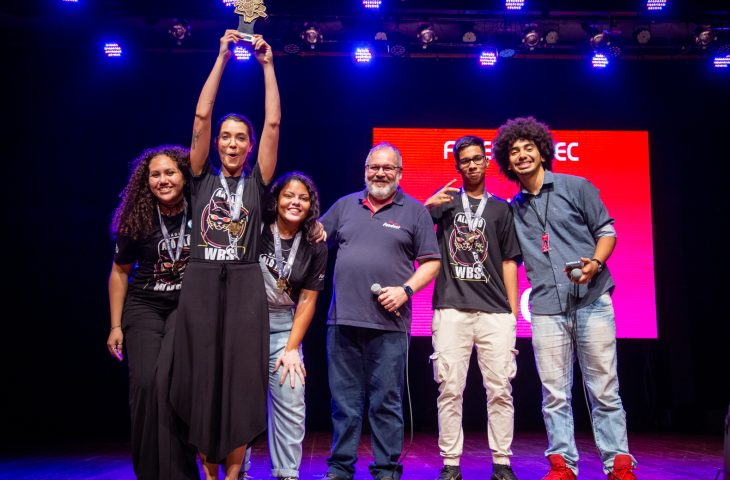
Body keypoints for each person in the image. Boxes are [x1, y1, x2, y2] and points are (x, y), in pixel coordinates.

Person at [492, 116, 637, 480]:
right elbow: (509, 258)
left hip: (592, 300)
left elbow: (607, 232)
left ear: (542, 151)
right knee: (554, 394)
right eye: (514, 151)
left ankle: (618, 464)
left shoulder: (577, 186)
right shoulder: (513, 210)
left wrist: (596, 263)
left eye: (529, 148)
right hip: (545, 309)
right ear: (508, 163)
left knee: (604, 388)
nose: (523, 155)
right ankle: (562, 465)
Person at [169, 29, 280, 480]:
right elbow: (200, 115)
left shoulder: (257, 183)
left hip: (244, 284)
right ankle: (209, 474)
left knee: (238, 383)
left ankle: (233, 475)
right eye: (225, 137)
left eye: (240, 138)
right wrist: (220, 56)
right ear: (216, 143)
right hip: (199, 282)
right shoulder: (198, 179)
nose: (232, 143)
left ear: (249, 147)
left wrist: (267, 67)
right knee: (201, 378)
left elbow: (273, 124)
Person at [320, 142, 441, 480]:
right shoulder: (344, 206)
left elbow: (431, 263)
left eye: (388, 168)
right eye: (374, 167)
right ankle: (340, 469)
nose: (380, 173)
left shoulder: (414, 211)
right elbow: (314, 238)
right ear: (365, 170)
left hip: (390, 326)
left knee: (385, 403)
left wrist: (405, 291)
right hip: (342, 322)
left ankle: (386, 470)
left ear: (400, 174)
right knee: (344, 405)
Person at [424, 136, 521, 480]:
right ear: (457, 166)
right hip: (452, 308)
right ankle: (451, 463)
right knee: (450, 389)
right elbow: (410, 233)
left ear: (486, 162)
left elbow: (510, 261)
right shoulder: (445, 204)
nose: (471, 165)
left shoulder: (501, 209)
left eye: (477, 158)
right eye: (464, 160)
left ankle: (502, 462)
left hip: (495, 312)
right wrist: (426, 206)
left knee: (500, 390)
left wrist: (512, 311)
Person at [107, 144, 198, 479]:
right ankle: (148, 472)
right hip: (143, 305)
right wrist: (116, 325)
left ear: (183, 175)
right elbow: (119, 272)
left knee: (167, 382)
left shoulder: (202, 209)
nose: (163, 180)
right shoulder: (137, 219)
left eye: (170, 172)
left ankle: (181, 472)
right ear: (146, 181)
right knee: (145, 385)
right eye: (155, 174)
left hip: (183, 308)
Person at [239, 172, 328, 480]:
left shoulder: (316, 244)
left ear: (311, 205)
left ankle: (287, 473)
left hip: (284, 328)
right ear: (276, 200)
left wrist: (291, 348)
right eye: (289, 196)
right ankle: (238, 471)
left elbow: (307, 301)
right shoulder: (257, 230)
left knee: (292, 394)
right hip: (246, 325)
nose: (295, 202)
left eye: (303, 198)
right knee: (243, 402)